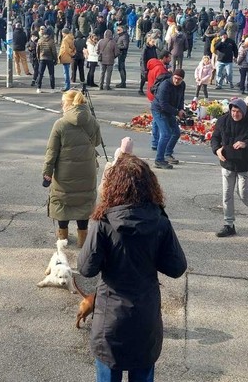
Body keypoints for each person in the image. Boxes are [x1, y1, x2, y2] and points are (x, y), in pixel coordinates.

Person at [78, 155, 187, 382]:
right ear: (150, 186)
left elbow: (86, 268)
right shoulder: (160, 222)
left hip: (110, 318)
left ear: (112, 187)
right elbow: (177, 267)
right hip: (145, 317)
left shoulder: (104, 223)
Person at [42, 89, 102, 246]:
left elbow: (51, 152)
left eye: (63, 103)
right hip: (87, 170)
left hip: (64, 172)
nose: (61, 105)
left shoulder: (60, 124)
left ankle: (63, 238)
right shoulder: (93, 121)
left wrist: (47, 173)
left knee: (63, 201)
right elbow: (96, 142)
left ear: (68, 104)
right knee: (83, 200)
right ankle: (82, 238)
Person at [210, 98, 248, 237]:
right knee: (227, 195)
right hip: (227, 162)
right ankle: (229, 225)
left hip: (244, 164)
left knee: (244, 195)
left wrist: (246, 143)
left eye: (238, 112)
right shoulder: (223, 121)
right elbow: (214, 138)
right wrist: (217, 150)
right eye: (233, 111)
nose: (235, 114)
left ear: (244, 111)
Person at [151, 69, 186, 169]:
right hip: (159, 110)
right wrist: (177, 112)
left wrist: (181, 109)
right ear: (172, 76)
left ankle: (168, 153)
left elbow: (181, 98)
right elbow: (163, 104)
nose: (176, 81)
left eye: (179, 79)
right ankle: (159, 160)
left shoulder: (182, 85)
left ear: (182, 80)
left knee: (176, 133)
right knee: (166, 134)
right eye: (175, 78)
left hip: (170, 110)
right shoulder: (165, 85)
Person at [36, 27, 58, 93]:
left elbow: (37, 50)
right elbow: (54, 51)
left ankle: (38, 88)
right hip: (50, 59)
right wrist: (55, 59)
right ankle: (52, 88)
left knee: (40, 74)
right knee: (51, 74)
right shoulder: (51, 41)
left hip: (42, 58)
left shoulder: (40, 40)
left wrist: (38, 58)